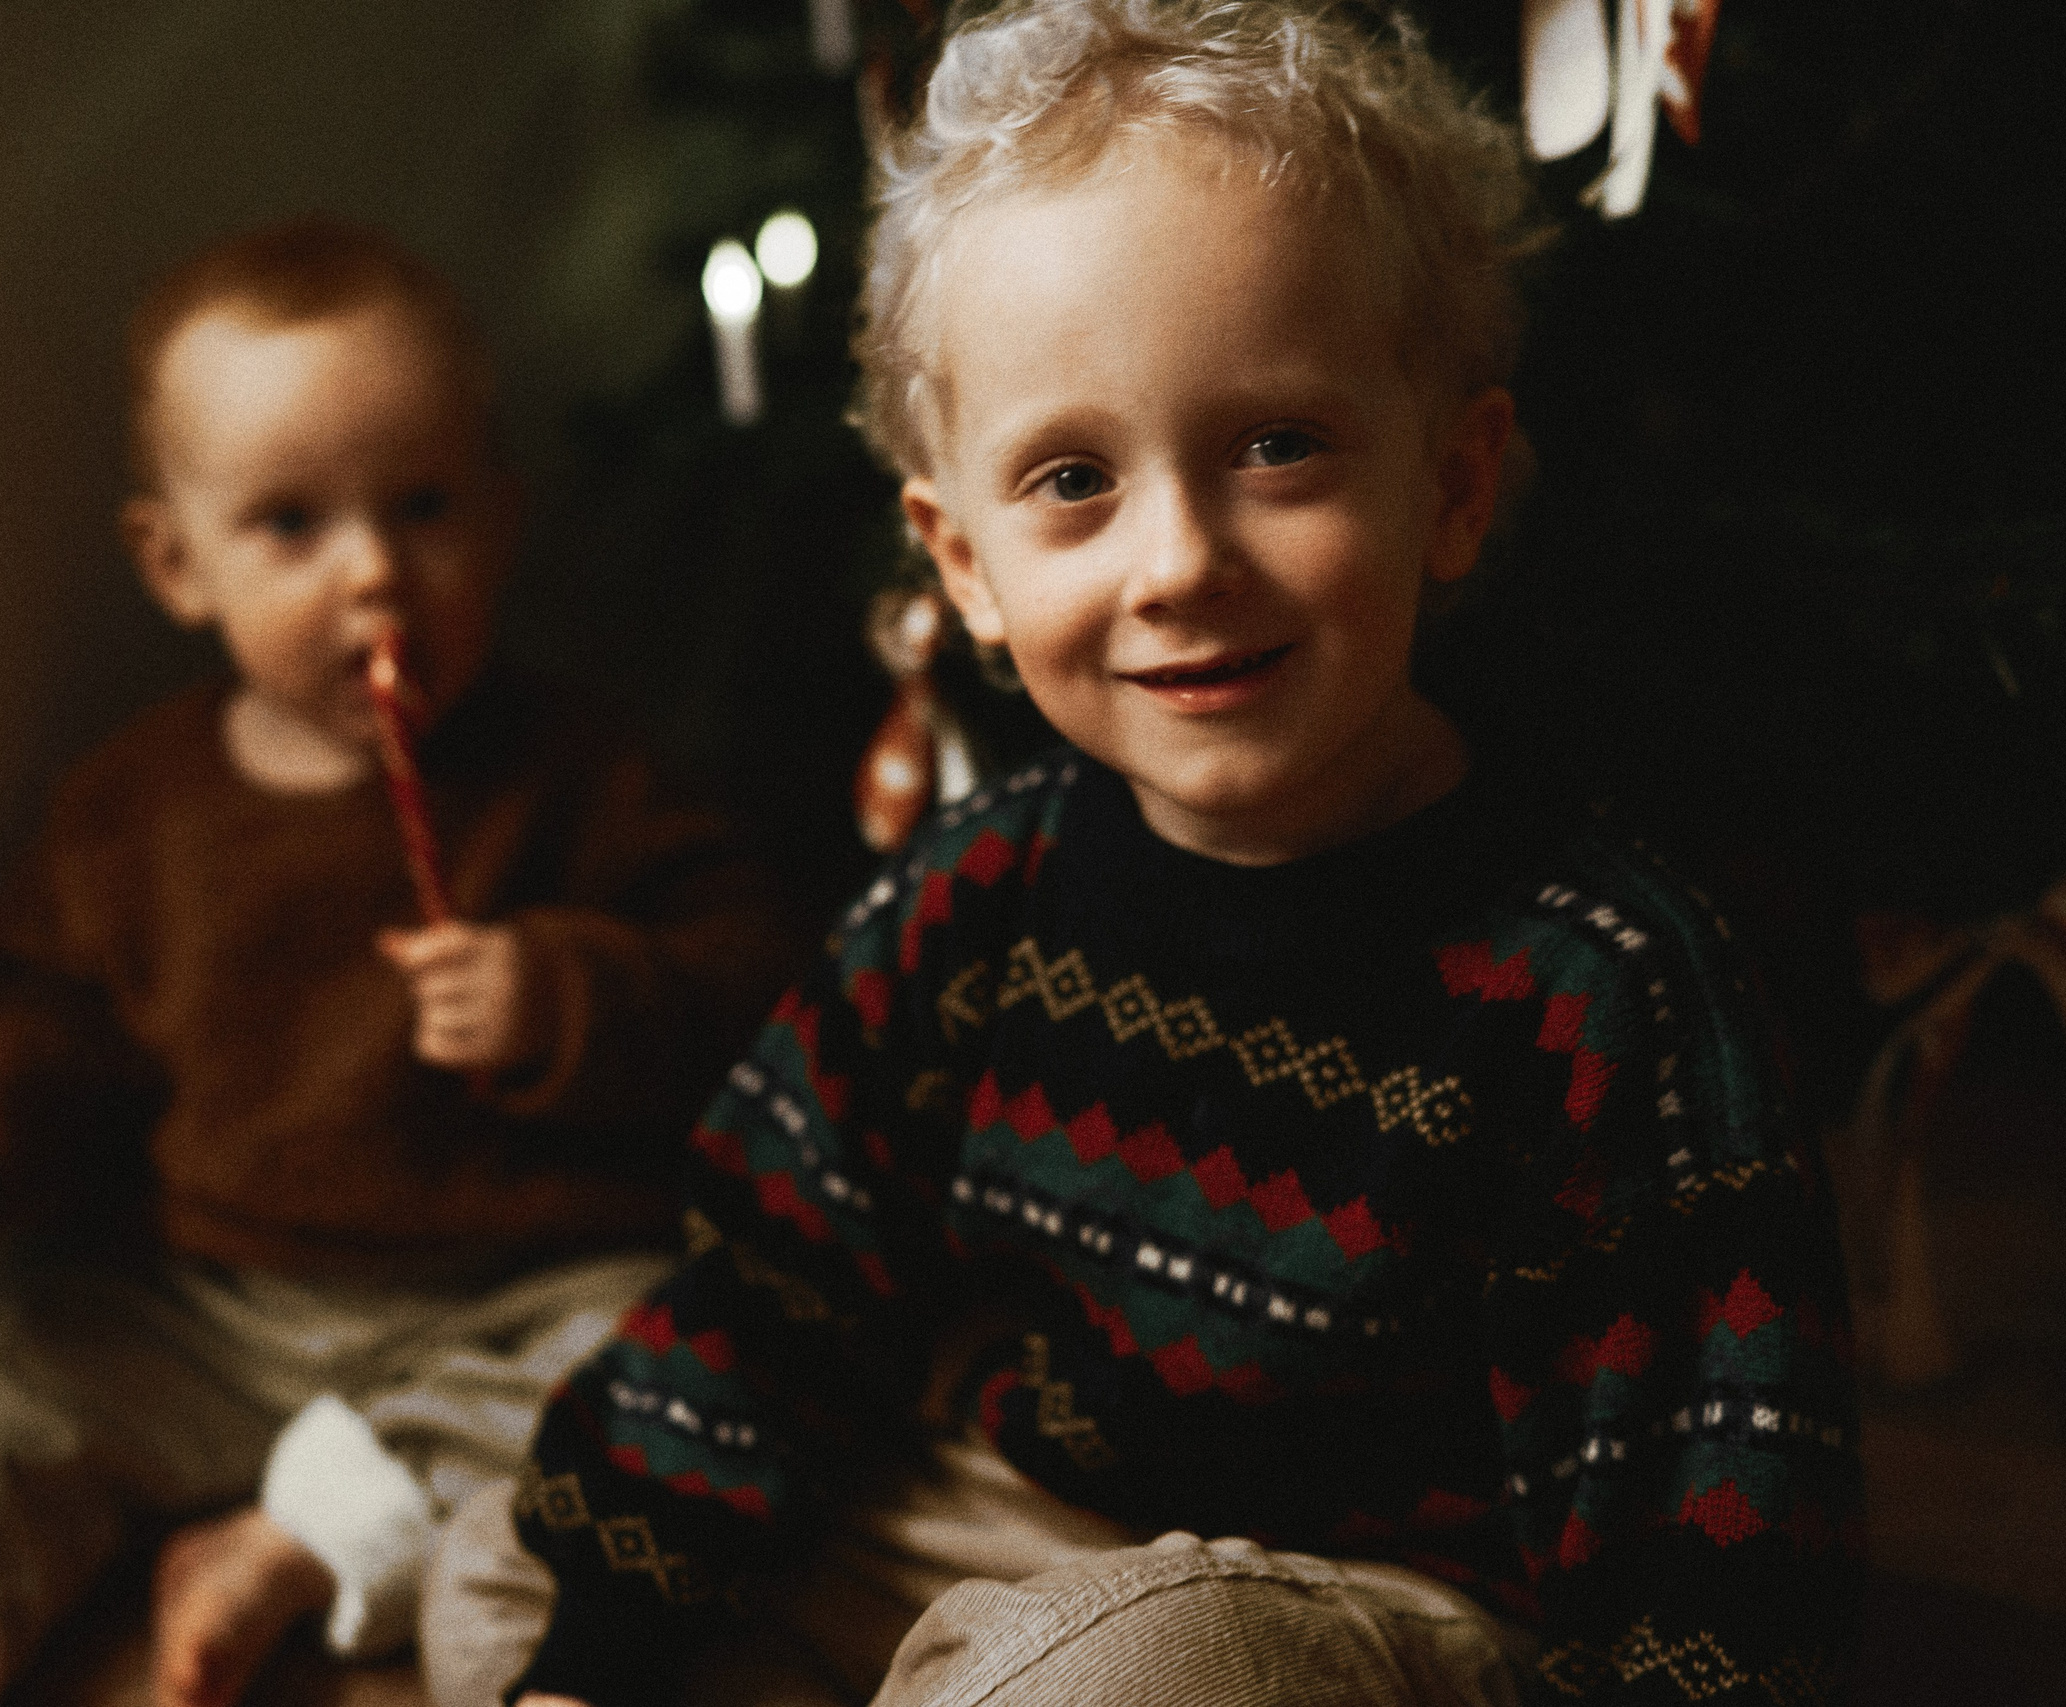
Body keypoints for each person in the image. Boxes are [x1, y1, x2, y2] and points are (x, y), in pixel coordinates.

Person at [431, 3, 1866, 1704]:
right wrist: (598, 1656)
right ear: (960, 564)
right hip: (1020, 1534)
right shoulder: (975, 901)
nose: (1178, 560)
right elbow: (775, 1294)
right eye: (1072, 480)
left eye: (1276, 446)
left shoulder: (1603, 985)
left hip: (1366, 1631)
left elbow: (1717, 1521)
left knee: (1142, 1669)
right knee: (520, 1573)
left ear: (1456, 484)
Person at [0, 219, 799, 1707]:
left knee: (664, 1360)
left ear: (503, 514)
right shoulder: (135, 810)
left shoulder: (577, 772)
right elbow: (50, 1027)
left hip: (514, 1293)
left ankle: (289, 1546)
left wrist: (566, 992)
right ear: (176, 564)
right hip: (199, 1304)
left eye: (423, 507)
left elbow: (755, 981)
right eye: (292, 525)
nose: (374, 576)